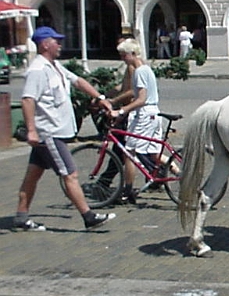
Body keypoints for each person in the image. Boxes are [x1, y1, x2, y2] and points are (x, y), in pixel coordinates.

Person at [14, 26, 116, 231]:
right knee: (70, 174)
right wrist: (31, 130)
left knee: (32, 175)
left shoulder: (54, 66)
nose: (60, 45)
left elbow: (77, 81)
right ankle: (88, 216)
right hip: (49, 133)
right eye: (56, 41)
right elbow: (27, 100)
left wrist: (100, 98)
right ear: (45, 44)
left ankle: (21, 216)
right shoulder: (37, 70)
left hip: (55, 131)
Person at [110, 38, 162, 204]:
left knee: (129, 152)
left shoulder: (139, 72)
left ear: (132, 54)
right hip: (154, 113)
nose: (122, 58)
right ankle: (176, 173)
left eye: (124, 55)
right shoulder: (147, 69)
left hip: (145, 114)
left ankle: (128, 190)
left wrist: (122, 110)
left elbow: (141, 98)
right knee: (154, 152)